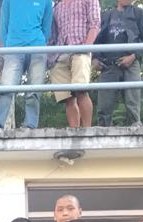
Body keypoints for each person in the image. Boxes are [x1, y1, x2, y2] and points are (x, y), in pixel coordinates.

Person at [0, 0, 54, 129]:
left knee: (34, 91)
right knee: (6, 88)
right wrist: (9, 45)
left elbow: (47, 29)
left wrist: (39, 43)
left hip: (37, 48)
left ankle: (30, 125)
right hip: (14, 48)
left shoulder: (46, 1)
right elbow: (4, 24)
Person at [93, 0, 143, 126]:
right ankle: (102, 131)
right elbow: (97, 39)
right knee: (104, 105)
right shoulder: (106, 15)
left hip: (131, 63)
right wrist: (95, 58)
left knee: (133, 103)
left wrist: (133, 56)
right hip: (108, 64)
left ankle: (136, 130)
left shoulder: (139, 13)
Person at [49, 0, 101, 129]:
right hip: (60, 54)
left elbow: (95, 24)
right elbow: (53, 35)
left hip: (80, 50)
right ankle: (74, 131)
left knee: (81, 91)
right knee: (68, 98)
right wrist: (51, 58)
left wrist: (86, 47)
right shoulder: (57, 7)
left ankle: (87, 130)